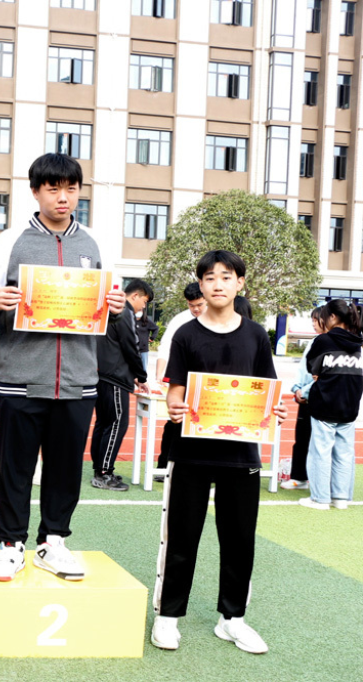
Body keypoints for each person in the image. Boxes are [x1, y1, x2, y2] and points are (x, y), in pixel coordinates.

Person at [0, 153, 125, 583]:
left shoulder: (94, 243)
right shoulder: (12, 240)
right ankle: (11, 545)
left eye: (71, 189)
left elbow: (111, 306)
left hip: (78, 379)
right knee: (15, 468)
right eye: (53, 188)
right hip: (22, 377)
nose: (63, 197)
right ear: (36, 191)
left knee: (66, 468)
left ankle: (52, 542)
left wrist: (116, 307)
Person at [152, 250, 286, 654]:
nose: (218, 284)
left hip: (242, 456)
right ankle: (167, 617)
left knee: (240, 540)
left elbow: (266, 390)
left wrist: (274, 408)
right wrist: (175, 406)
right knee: (181, 538)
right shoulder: (186, 335)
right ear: (201, 284)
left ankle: (232, 619)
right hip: (190, 452)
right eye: (210, 277)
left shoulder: (256, 335)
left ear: (240, 283)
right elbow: (175, 390)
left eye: (226, 277)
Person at [298, 299, 363, 511]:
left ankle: (320, 499)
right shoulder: (358, 343)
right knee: (344, 453)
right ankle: (341, 498)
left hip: (325, 403)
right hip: (350, 404)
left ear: (333, 317)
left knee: (321, 452)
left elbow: (312, 369)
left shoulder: (324, 341)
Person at [90, 279, 152, 492]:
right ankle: (104, 474)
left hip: (102, 374)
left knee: (104, 423)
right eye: (144, 301)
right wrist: (141, 376)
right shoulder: (125, 311)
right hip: (115, 378)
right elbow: (130, 346)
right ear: (135, 296)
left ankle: (100, 469)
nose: (143, 306)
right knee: (117, 424)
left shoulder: (109, 309)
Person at [153, 282, 207, 475]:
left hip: (207, 384)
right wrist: (160, 374)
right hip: (183, 382)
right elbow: (165, 347)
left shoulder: (216, 319)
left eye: (199, 305)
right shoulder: (181, 320)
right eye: (191, 305)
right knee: (175, 423)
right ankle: (164, 467)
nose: (196, 309)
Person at [283, 306, 327, 491]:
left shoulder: (331, 343)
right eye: (312, 320)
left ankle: (322, 481)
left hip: (321, 398)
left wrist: (305, 391)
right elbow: (303, 369)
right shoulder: (315, 342)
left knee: (323, 443)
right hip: (306, 398)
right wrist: (297, 389)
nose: (313, 324)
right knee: (302, 438)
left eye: (316, 320)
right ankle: (299, 477)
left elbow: (324, 375)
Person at [134, 309, 158, 373]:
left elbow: (156, 328)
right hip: (133, 348)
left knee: (143, 368)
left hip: (143, 348)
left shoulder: (147, 321)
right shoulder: (131, 321)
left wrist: (152, 338)